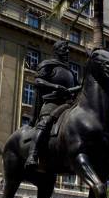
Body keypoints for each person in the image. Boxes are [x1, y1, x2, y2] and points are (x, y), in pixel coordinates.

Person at [25, 40, 80, 169]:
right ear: (56, 51)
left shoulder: (71, 72)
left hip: (68, 105)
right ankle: (32, 155)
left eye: (68, 49)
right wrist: (55, 86)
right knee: (45, 123)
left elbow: (77, 87)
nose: (67, 52)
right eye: (64, 49)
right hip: (52, 103)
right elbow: (38, 81)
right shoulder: (48, 65)